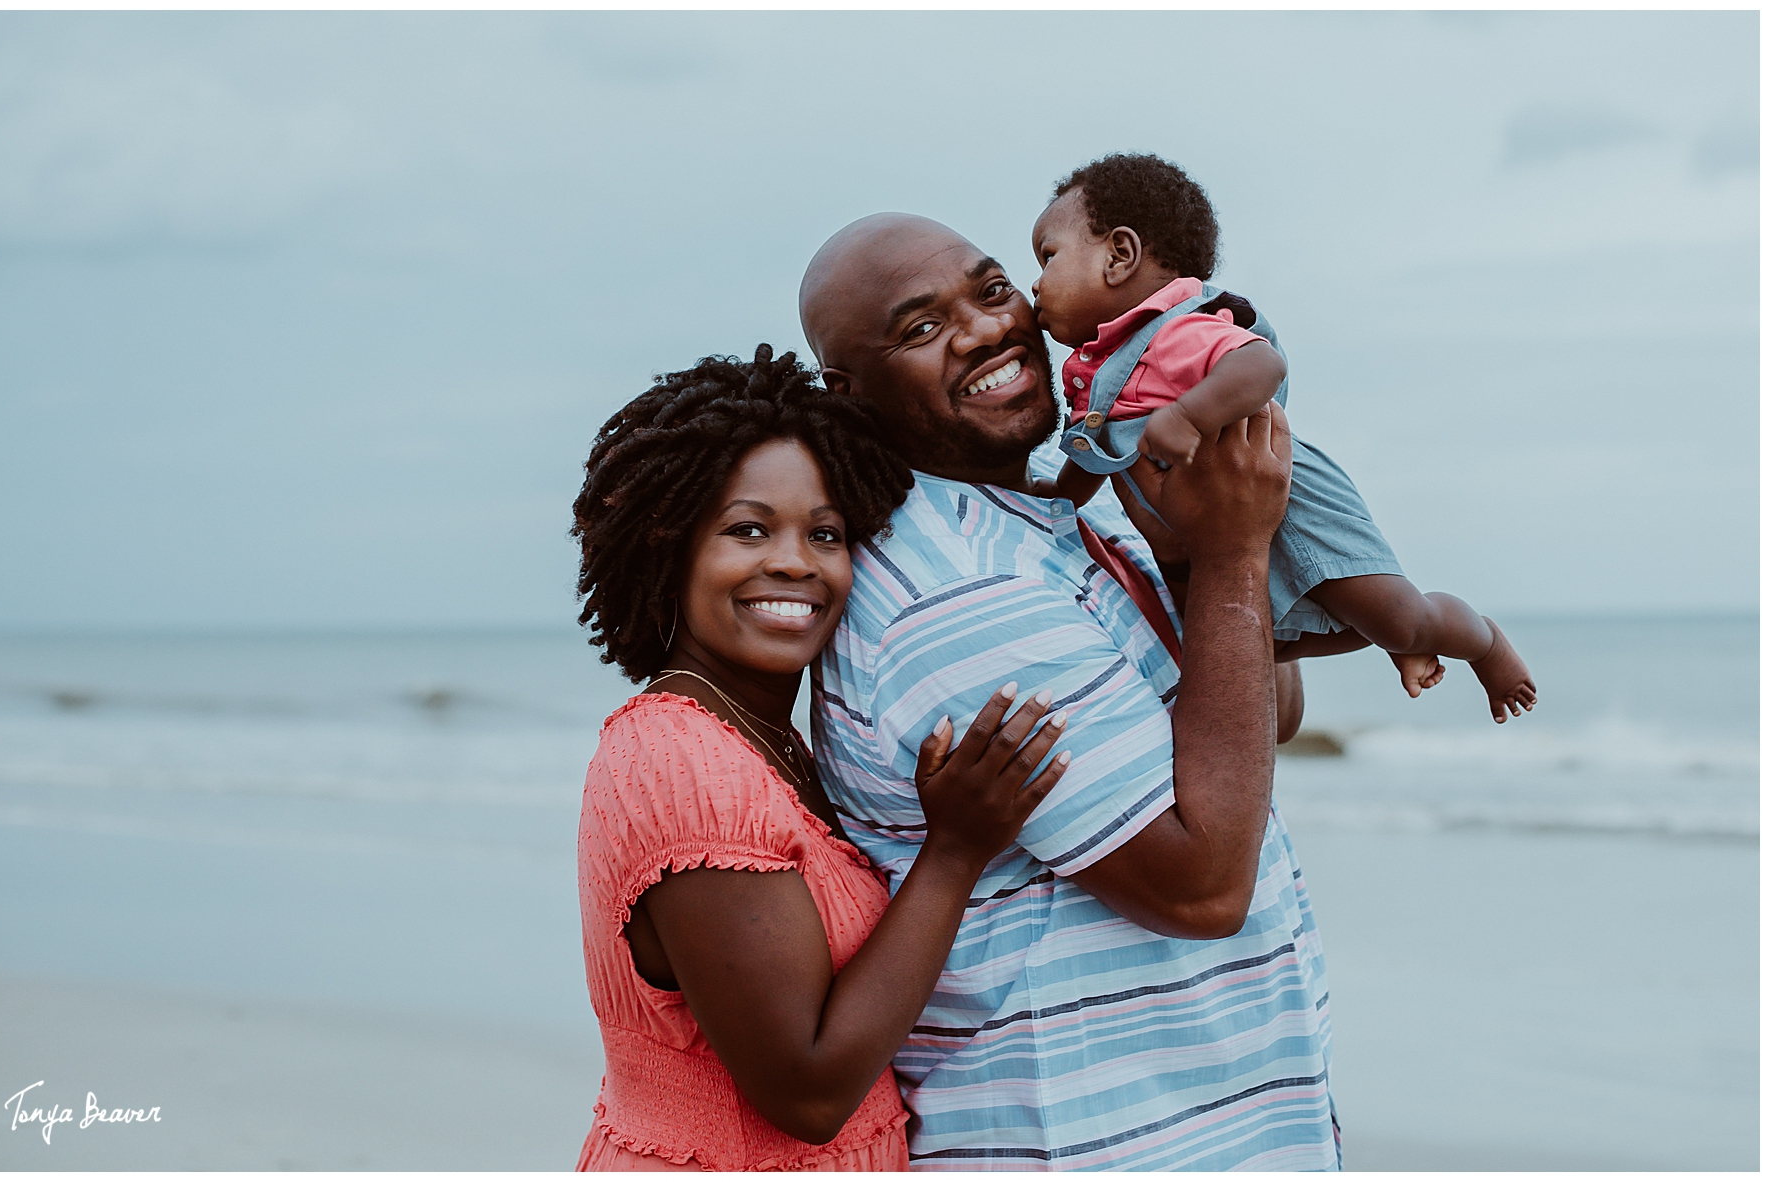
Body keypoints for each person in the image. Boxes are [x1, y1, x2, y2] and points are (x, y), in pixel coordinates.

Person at [798, 215, 1337, 1170]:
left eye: (993, 289)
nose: (983, 330)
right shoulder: (954, 591)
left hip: (1219, 1127)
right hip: (1096, 1143)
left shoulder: (1055, 513)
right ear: (850, 395)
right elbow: (1204, 883)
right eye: (921, 329)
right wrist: (1232, 548)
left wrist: (1194, 548)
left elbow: (1267, 718)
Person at [571, 345, 1077, 1171]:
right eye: (748, 529)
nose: (795, 563)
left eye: (827, 533)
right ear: (668, 547)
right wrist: (953, 852)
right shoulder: (679, 761)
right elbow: (806, 1091)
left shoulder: (763, 741)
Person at [1034, 152, 1536, 724]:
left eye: (1048, 257)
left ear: (1119, 256)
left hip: (1290, 505)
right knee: (1258, 645)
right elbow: (1092, 454)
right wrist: (1055, 501)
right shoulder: (1093, 373)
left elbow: (1260, 366)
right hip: (1220, 529)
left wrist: (1188, 416)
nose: (1035, 282)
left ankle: (1481, 639)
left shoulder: (1173, 329)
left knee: (1399, 617)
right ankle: (1393, 638)